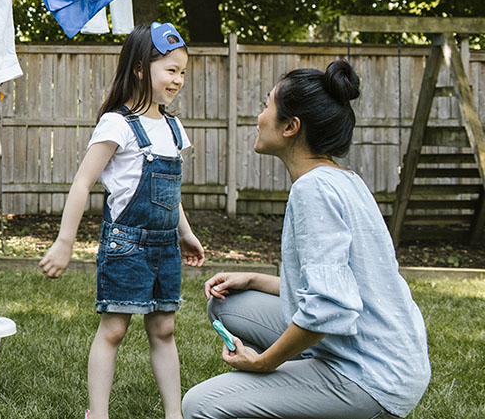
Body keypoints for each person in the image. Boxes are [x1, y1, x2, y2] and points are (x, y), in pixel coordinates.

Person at [184, 60, 430, 419]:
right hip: (393, 360)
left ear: (290, 126)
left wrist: (265, 363)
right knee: (227, 305)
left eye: (267, 105)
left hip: (370, 378)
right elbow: (342, 287)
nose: (259, 116)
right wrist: (253, 278)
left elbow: (332, 306)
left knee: (200, 405)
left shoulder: (313, 190)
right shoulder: (345, 180)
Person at [39, 22, 206, 419]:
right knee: (114, 329)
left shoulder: (173, 127)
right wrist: (65, 242)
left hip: (165, 246)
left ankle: (174, 414)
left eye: (182, 72)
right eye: (170, 70)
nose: (178, 79)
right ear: (139, 69)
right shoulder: (117, 123)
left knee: (164, 329)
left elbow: (172, 192)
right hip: (126, 243)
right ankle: (97, 414)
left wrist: (185, 233)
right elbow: (82, 183)